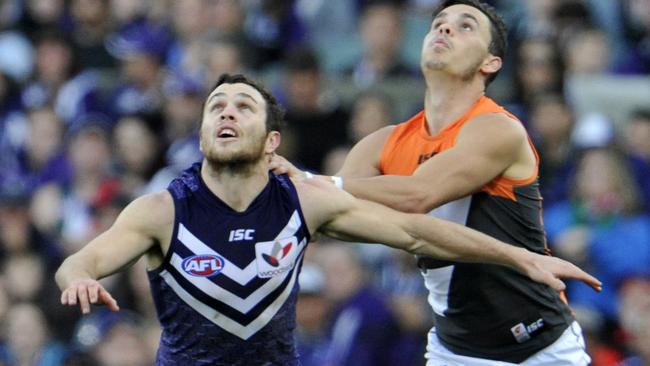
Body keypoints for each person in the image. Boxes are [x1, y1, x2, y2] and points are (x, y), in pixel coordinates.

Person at [56, 74, 600, 366]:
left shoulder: (303, 201)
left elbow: (415, 231)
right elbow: (84, 260)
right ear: (201, 135)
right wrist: (78, 276)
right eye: (216, 106)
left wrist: (521, 255)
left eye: (243, 106)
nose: (226, 112)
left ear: (272, 142)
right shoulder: (161, 210)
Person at [272, 1, 598, 365]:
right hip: (454, 349)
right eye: (438, 23)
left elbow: (417, 194)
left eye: (465, 26)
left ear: (490, 62)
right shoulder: (381, 144)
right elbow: (331, 217)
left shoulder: (498, 128)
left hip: (539, 348)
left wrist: (311, 182)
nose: (444, 29)